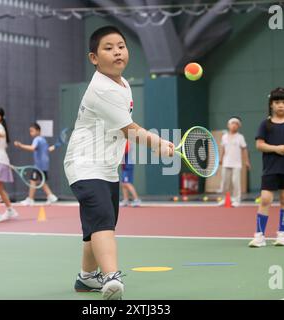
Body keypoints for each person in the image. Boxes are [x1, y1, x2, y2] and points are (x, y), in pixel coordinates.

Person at [63, 26, 174, 300]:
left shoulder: (122, 84)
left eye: (121, 46)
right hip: (85, 163)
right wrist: (159, 144)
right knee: (103, 222)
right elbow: (130, 130)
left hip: (107, 167)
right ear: (94, 58)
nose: (117, 52)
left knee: (98, 223)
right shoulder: (102, 89)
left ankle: (87, 278)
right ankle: (112, 278)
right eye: (108, 48)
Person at [249, 87, 284, 248]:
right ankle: (259, 236)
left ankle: (282, 235)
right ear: (271, 105)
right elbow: (259, 145)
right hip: (270, 169)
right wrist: (276, 148)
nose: (280, 105)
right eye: (277, 102)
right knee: (265, 199)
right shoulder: (265, 124)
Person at [14, 123, 58, 205]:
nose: (31, 133)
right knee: (41, 181)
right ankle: (51, 196)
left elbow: (32, 148)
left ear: (38, 131)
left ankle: (30, 199)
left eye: (32, 131)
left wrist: (20, 145)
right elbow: (48, 150)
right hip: (45, 165)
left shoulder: (37, 139)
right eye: (30, 131)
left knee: (33, 181)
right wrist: (54, 147)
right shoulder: (43, 140)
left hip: (39, 165)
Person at [218, 116, 250, 207]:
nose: (234, 126)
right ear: (228, 125)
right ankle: (224, 199)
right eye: (232, 123)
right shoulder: (224, 137)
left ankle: (236, 200)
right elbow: (223, 148)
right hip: (226, 163)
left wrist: (246, 161)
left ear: (239, 126)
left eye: (236, 124)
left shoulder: (240, 137)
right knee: (225, 183)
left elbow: (244, 149)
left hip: (237, 164)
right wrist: (220, 158)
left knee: (236, 183)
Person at [120, 141, 141, 207]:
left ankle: (137, 200)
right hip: (124, 165)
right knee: (123, 183)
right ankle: (125, 200)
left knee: (127, 183)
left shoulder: (126, 141)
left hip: (127, 166)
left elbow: (124, 151)